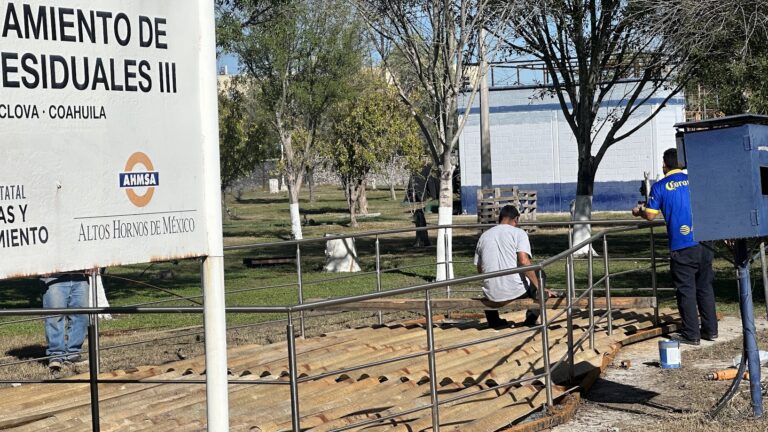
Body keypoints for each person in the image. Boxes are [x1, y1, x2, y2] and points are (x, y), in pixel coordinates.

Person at [632, 148, 717, 345]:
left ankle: (691, 334)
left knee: (686, 290)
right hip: (705, 242)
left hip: (682, 245)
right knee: (705, 287)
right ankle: (711, 330)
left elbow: (651, 215)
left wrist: (639, 211)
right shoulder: (695, 181)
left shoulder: (660, 186)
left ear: (665, 164)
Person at [474, 205, 556, 328]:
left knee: (493, 284)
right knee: (540, 273)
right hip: (515, 292)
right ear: (516, 219)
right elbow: (523, 261)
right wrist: (540, 288)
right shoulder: (519, 233)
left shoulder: (484, 236)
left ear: (499, 219)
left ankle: (494, 320)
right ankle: (531, 317)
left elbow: (480, 267)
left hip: (491, 293)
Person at [41, 271, 89, 371]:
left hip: (79, 277)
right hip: (54, 278)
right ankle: (56, 356)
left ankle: (73, 354)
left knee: (82, 317)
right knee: (54, 318)